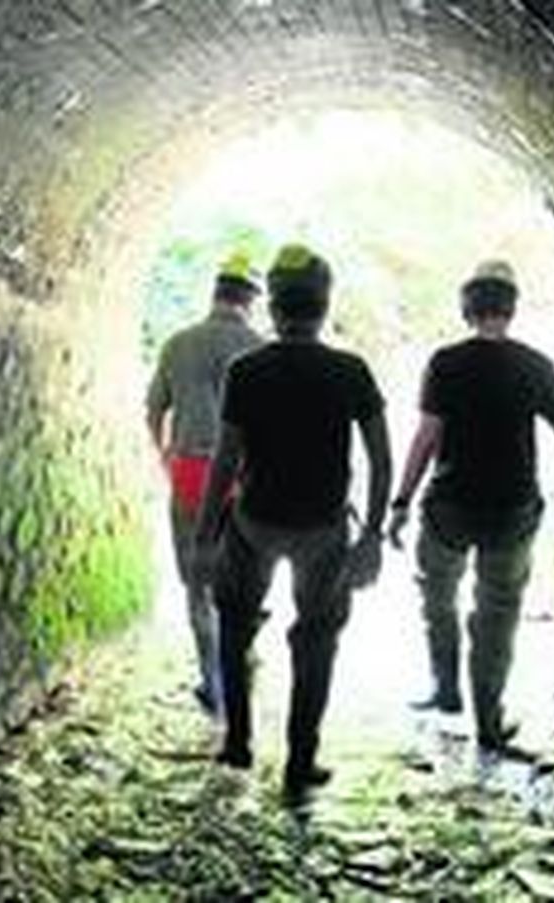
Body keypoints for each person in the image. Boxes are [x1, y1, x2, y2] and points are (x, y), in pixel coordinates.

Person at [194, 244, 392, 803]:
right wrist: (372, 536)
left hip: (254, 521)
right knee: (317, 640)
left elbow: (225, 460)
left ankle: (238, 741)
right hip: (322, 529)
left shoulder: (246, 370)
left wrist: (204, 538)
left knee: (235, 625)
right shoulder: (350, 371)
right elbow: (381, 459)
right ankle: (300, 762)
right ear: (324, 305)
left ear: (274, 307)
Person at [387, 260, 554, 751]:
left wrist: (401, 501)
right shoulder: (536, 365)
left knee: (438, 597)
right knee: (497, 614)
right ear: (510, 308)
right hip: (512, 510)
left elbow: (426, 437)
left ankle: (445, 687)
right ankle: (488, 722)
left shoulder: (445, 362)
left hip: (449, 507)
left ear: (468, 307)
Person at [145, 253, 266, 714]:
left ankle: (211, 680)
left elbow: (154, 410)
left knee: (198, 584)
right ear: (250, 301)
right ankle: (240, 662)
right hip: (243, 479)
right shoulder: (259, 347)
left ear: (215, 294)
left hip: (191, 473)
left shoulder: (178, 344)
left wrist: (164, 455)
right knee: (243, 580)